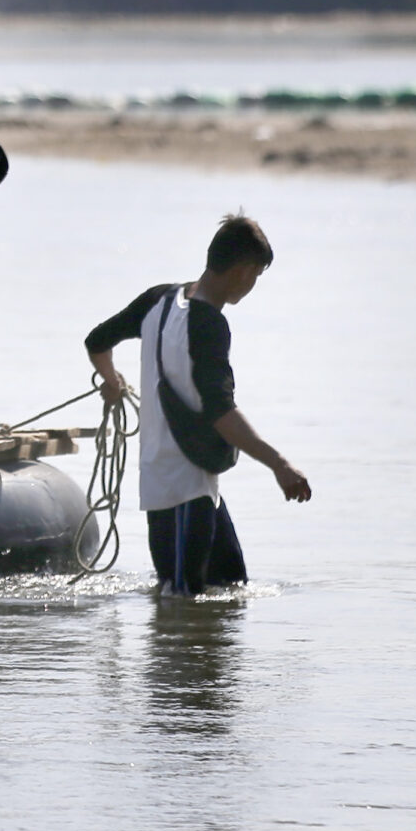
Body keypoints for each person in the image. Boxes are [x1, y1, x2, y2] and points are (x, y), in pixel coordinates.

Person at [83, 215, 312, 596]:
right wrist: (280, 465)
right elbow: (221, 414)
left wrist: (113, 381)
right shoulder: (209, 325)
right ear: (243, 271)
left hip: (158, 483)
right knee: (185, 601)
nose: (253, 285)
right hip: (188, 489)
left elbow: (97, 341)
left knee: (228, 586)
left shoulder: (159, 299)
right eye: (256, 276)